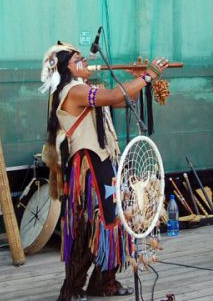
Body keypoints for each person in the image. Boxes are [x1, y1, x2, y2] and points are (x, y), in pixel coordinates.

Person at [40, 41, 168, 300]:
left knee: (113, 220)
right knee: (91, 224)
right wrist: (147, 75)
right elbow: (113, 96)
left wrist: (138, 80)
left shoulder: (84, 88)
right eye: (78, 59)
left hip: (102, 162)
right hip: (88, 166)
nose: (85, 61)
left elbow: (123, 100)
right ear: (66, 68)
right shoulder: (72, 91)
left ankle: (103, 281)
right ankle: (73, 287)